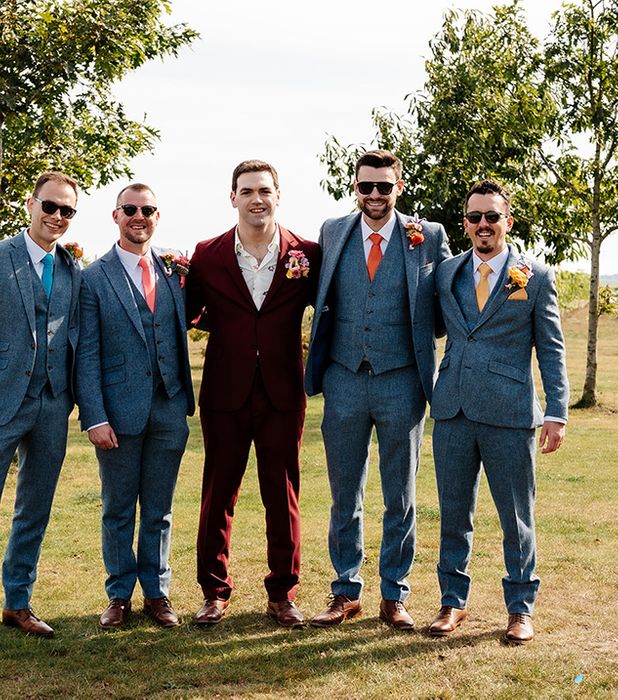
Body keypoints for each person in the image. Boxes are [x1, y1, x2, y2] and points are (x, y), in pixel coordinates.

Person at [305, 149, 451, 630]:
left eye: (383, 187)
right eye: (365, 186)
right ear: (355, 187)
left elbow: (453, 297)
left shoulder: (427, 237)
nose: (374, 195)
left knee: (400, 496)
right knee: (344, 494)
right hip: (343, 378)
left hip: (403, 381)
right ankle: (345, 591)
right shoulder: (332, 231)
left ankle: (394, 593)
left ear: (399, 187)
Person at [428, 179, 569, 643]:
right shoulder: (446, 273)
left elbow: (551, 349)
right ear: (464, 223)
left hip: (510, 415)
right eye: (474, 217)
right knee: (454, 514)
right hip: (452, 410)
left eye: (492, 216)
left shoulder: (536, 276)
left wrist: (557, 410)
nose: (483, 225)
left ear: (508, 222)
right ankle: (452, 603)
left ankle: (520, 608)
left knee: (516, 517)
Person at [185, 160, 320, 628]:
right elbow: (187, 313)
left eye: (264, 190)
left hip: (284, 392)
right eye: (247, 191)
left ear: (278, 195)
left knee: (281, 495)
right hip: (224, 392)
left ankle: (283, 593)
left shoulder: (307, 253)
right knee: (217, 493)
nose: (256, 198)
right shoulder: (207, 254)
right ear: (233, 198)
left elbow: (330, 311)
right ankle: (214, 592)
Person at [75, 184, 194, 629]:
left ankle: (158, 594)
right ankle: (119, 594)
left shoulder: (175, 269)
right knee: (118, 507)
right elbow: (86, 352)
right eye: (130, 209)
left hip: (169, 408)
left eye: (147, 210)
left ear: (157, 216)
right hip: (118, 414)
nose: (138, 216)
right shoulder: (93, 277)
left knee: (160, 509)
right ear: (116, 216)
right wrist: (95, 416)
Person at [0, 172, 81, 638]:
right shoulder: (2, 256)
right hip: (3, 399)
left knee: (34, 508)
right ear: (30, 204)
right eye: (49, 206)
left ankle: (17, 602)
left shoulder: (72, 267)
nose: (56, 217)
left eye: (66, 211)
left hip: (53, 404)